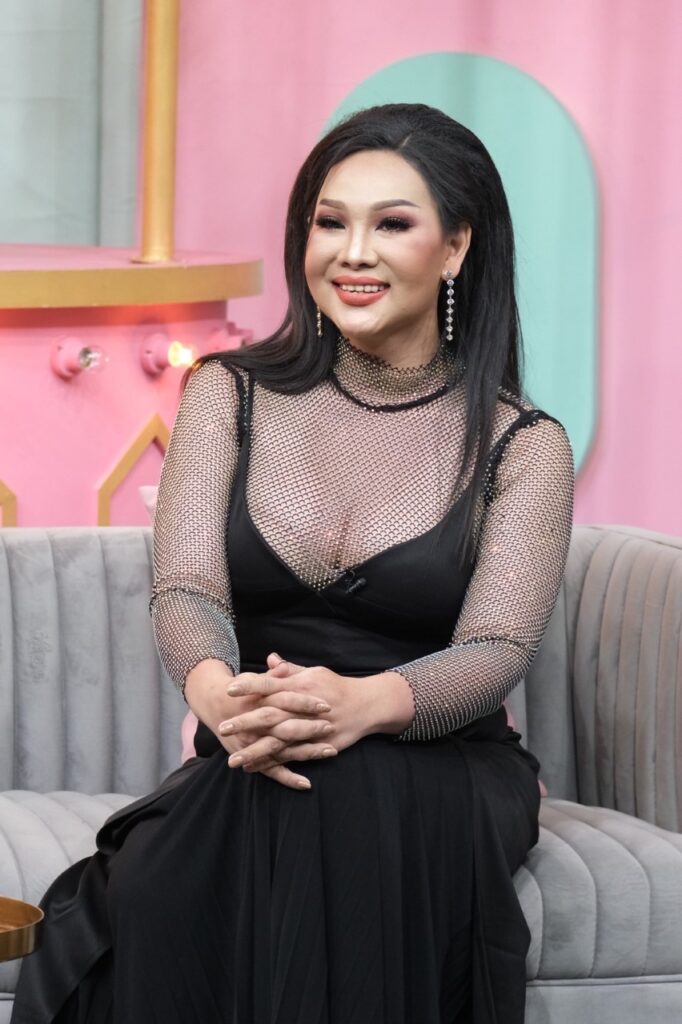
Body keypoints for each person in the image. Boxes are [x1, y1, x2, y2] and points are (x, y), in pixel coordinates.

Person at [12, 102, 574, 1023]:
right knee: (176, 867)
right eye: (329, 221)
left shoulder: (522, 443)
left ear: (457, 247)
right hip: (257, 738)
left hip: (435, 755)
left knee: (323, 795)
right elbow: (187, 588)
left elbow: (497, 649)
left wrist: (362, 705)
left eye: (392, 224)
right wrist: (217, 696)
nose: (352, 253)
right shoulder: (226, 393)